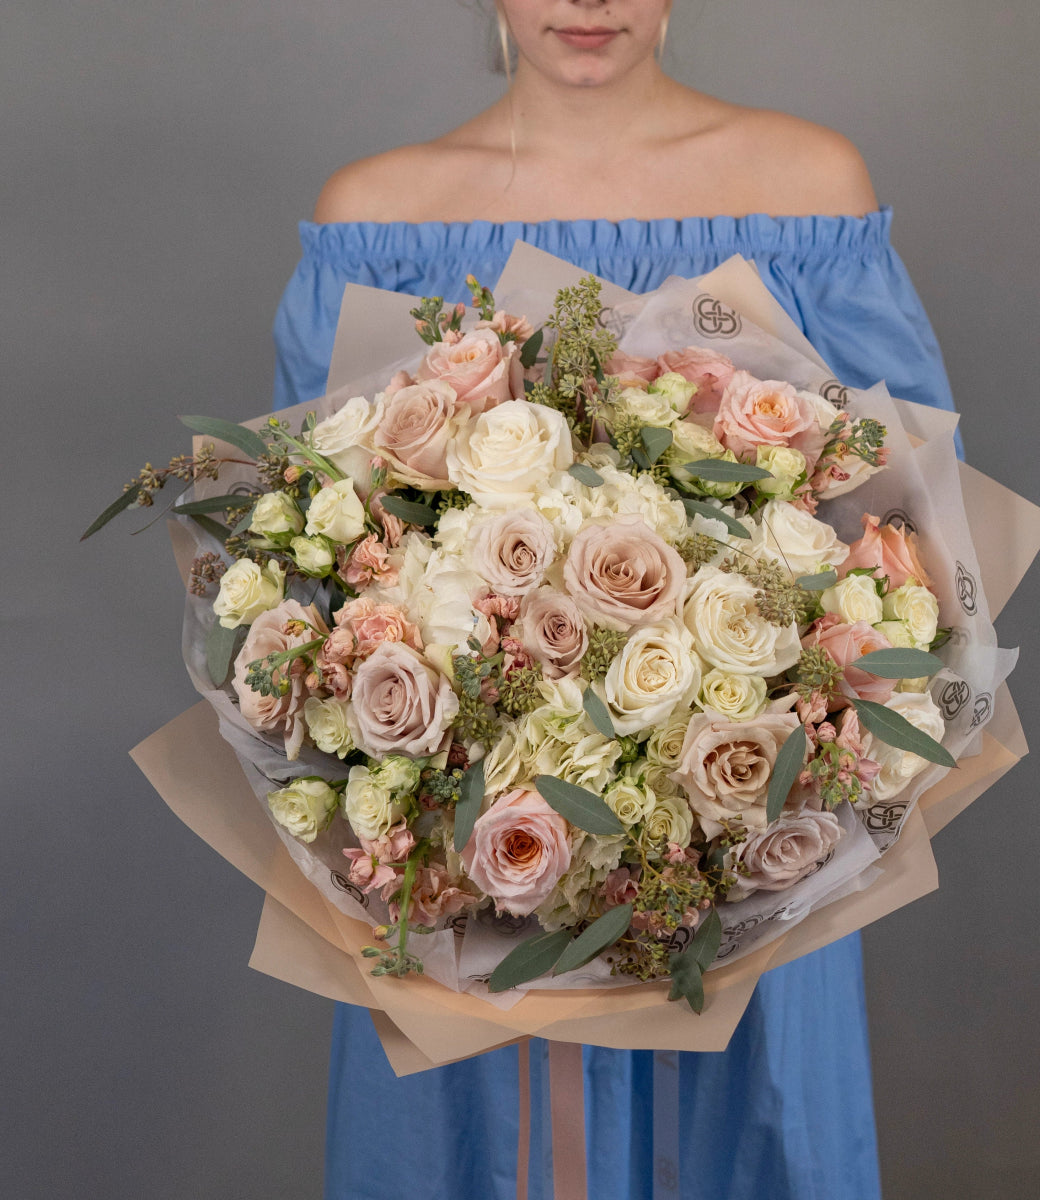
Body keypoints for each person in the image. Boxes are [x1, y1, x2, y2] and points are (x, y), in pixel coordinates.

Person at [272, 3, 956, 1197]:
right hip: (469, 874)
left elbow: (904, 544)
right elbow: (311, 569)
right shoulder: (374, 221)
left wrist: (754, 752)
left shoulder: (809, 189)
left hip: (744, 851)